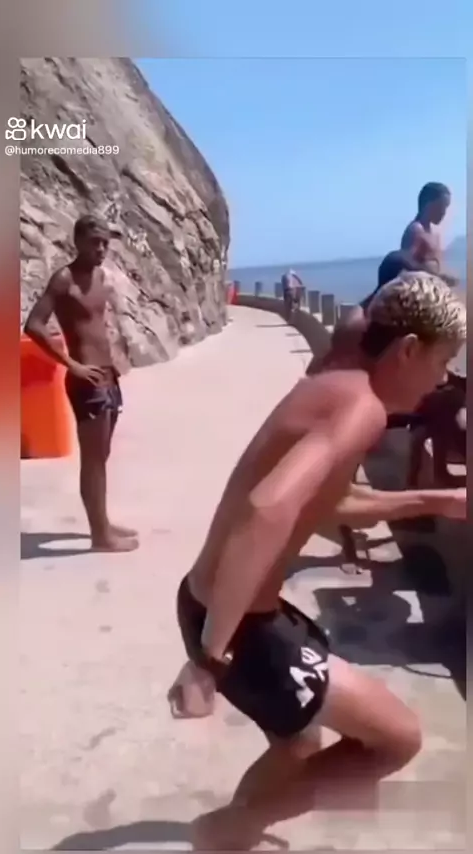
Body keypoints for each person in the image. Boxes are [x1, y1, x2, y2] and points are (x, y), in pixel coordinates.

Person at [170, 271, 466, 850]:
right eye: (442, 362)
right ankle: (228, 830)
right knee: (396, 739)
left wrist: (437, 501)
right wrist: (208, 659)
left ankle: (231, 836)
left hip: (210, 600)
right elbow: (267, 508)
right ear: (409, 350)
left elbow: (331, 501)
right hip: (239, 628)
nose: (443, 380)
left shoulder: (334, 386)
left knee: (298, 744)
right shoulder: (362, 409)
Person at [24, 214, 138, 553]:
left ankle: (103, 523)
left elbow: (96, 327)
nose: (101, 249)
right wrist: (72, 365)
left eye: (105, 243)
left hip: (107, 376)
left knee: (101, 456)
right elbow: (34, 325)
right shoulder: (64, 280)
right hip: (87, 382)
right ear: (78, 242)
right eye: (94, 242)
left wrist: (114, 360)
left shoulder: (101, 277)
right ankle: (101, 536)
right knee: (93, 461)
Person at [401, 182, 451, 271]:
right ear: (428, 205)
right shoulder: (416, 231)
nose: (444, 212)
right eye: (441, 207)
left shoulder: (432, 232)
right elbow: (406, 265)